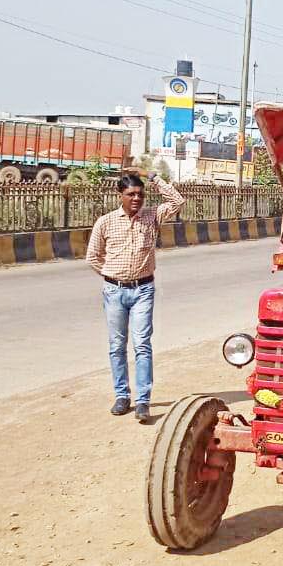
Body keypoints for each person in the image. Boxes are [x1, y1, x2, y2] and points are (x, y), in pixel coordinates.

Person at [85, 169, 184, 422]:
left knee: (142, 345)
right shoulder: (106, 222)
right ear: (120, 195)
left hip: (143, 290)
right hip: (114, 290)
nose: (136, 199)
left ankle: (142, 401)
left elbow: (177, 201)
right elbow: (93, 257)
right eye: (130, 194)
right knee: (117, 346)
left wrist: (153, 177)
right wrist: (111, 276)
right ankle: (121, 395)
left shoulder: (152, 216)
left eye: (140, 194)